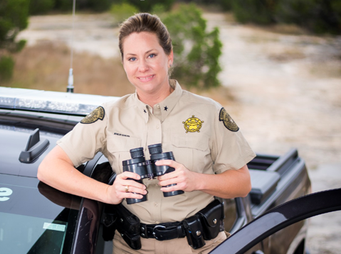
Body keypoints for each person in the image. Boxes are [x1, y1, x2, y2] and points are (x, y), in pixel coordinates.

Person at [38, 12, 256, 254]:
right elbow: (49, 168)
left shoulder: (209, 112)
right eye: (132, 58)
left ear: (169, 56)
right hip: (132, 248)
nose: (142, 67)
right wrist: (108, 192)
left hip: (201, 247)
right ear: (124, 64)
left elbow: (243, 182)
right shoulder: (110, 115)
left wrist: (196, 181)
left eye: (151, 55)